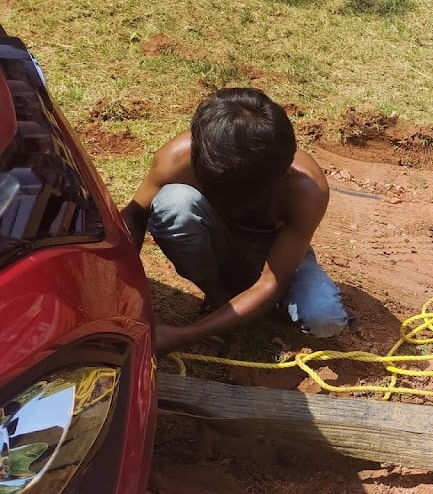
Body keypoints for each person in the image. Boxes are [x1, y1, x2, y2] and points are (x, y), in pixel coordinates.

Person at [121, 87, 350, 354]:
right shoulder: (178, 159)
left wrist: (185, 335)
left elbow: (270, 282)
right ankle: (219, 299)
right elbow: (134, 215)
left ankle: (238, 308)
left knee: (325, 318)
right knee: (174, 203)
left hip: (270, 254)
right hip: (211, 237)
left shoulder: (306, 191)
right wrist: (119, 291)